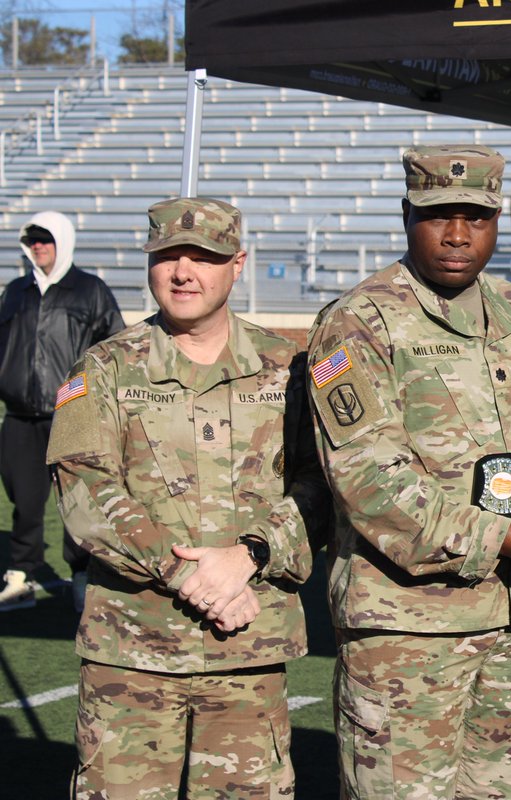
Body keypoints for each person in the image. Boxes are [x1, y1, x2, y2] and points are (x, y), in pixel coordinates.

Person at [307, 144, 511, 800]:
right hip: (407, 629)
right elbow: (369, 481)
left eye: (476, 217)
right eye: (438, 215)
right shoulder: (356, 323)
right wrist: (503, 538)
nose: (457, 234)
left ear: (497, 222)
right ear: (408, 215)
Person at [46, 197, 329, 797]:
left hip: (248, 651)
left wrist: (250, 555)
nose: (182, 272)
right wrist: (187, 574)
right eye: (166, 256)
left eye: (204, 256)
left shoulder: (294, 368)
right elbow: (83, 491)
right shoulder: (100, 369)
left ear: (238, 264)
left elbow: (325, 484)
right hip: (132, 652)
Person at [0, 211, 124, 612]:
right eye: (32, 239)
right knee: (24, 499)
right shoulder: (16, 291)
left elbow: (114, 345)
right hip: (19, 414)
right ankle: (21, 575)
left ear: (62, 241)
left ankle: (85, 575)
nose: (38, 246)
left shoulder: (89, 290)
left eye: (45, 238)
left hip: (71, 414)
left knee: (78, 498)